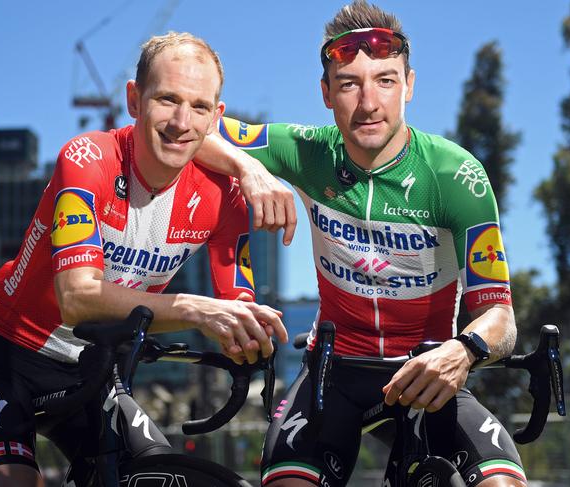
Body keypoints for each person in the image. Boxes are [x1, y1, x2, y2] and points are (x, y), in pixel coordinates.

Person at [195, 2, 526, 486]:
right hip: (335, 373)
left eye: (386, 81)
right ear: (326, 93)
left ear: (409, 85)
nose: (369, 102)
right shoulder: (307, 150)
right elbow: (190, 130)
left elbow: (501, 317)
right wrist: (250, 168)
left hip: (426, 373)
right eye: (349, 84)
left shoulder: (456, 175)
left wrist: (465, 350)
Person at [0, 32, 288, 487]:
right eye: (167, 99)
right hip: (4, 354)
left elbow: (236, 309)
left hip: (90, 367)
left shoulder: (224, 196)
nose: (181, 121)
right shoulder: (88, 159)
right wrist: (196, 310)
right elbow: (77, 298)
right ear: (134, 99)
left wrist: (251, 335)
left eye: (199, 107)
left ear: (216, 117)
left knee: (160, 478)